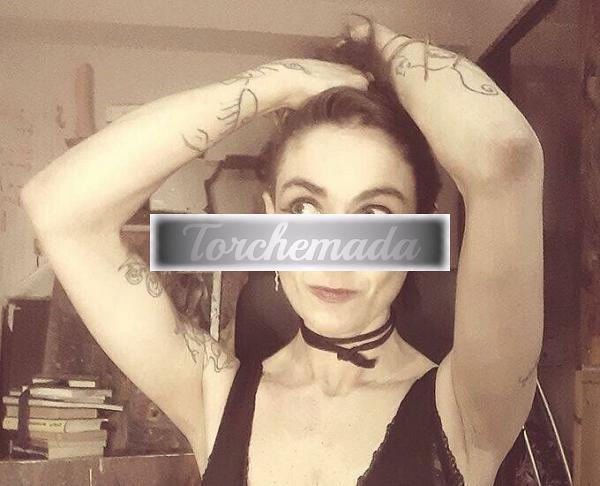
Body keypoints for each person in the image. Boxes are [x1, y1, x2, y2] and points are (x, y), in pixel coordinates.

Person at [21, 19, 544, 486]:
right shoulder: (215, 395)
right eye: (306, 208)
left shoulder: (468, 410)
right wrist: (277, 83)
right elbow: (58, 208)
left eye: (373, 213)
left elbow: (506, 153)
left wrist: (375, 44)